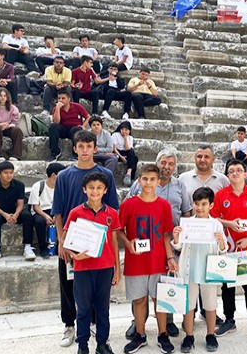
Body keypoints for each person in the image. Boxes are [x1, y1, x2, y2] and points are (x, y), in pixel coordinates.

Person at [52, 130, 119, 348]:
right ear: (74, 148)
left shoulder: (105, 176)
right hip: (72, 240)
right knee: (68, 284)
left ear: (95, 148)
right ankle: (69, 325)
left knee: (98, 294)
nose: (84, 150)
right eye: (80, 146)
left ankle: (94, 329)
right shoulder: (63, 176)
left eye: (88, 146)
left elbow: (112, 211)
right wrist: (62, 241)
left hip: (99, 244)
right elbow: (58, 211)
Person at [127, 149, 192, 339]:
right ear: (157, 163)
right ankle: (137, 323)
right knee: (141, 286)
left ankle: (168, 321)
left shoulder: (180, 186)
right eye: (164, 162)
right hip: (144, 244)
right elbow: (128, 209)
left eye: (171, 164)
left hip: (170, 243)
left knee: (166, 283)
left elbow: (186, 213)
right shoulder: (140, 184)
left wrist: (183, 240)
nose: (167, 167)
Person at [119, 164, 177, 354]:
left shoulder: (164, 205)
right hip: (136, 261)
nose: (148, 183)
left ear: (158, 181)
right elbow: (120, 230)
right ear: (139, 180)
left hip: (158, 259)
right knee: (139, 299)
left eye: (153, 179)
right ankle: (140, 335)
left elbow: (167, 234)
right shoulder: (128, 204)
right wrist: (129, 244)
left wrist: (170, 257)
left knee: (159, 299)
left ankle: (162, 334)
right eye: (145, 179)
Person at [65, 172, 121, 354]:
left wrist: (117, 268)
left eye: (99, 188)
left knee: (103, 308)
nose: (95, 191)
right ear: (84, 189)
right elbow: (67, 240)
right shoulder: (76, 212)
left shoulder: (111, 214)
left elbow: (114, 242)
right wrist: (75, 256)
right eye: (91, 188)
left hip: (105, 268)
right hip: (83, 268)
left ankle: (102, 343)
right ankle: (82, 345)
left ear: (105, 190)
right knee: (83, 308)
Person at [211, 159, 247, 342]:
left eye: (239, 170)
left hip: (246, 251)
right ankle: (230, 319)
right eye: (231, 170)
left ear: (246, 174)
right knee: (227, 287)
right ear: (227, 175)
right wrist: (229, 224)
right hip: (227, 251)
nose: (235, 173)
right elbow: (213, 218)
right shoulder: (220, 195)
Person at [173, 187, 226, 353]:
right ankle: (189, 335)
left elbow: (223, 250)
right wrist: (176, 237)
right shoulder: (187, 223)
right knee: (188, 305)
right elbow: (179, 246)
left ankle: (210, 334)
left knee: (210, 304)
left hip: (209, 271)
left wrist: (221, 242)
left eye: (204, 204)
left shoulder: (216, 224)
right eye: (196, 204)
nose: (199, 207)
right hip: (190, 271)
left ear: (211, 205)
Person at [0, 161, 34, 262]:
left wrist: (15, 215)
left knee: (27, 216)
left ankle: (28, 246)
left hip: (14, 211)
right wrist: (6, 215)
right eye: (6, 173)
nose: (9, 175)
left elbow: (21, 203)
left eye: (11, 172)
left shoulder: (19, 185)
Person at [28, 162, 66, 259]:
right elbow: (35, 206)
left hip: (55, 210)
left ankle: (59, 245)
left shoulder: (62, 187)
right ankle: (43, 248)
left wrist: (55, 216)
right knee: (39, 221)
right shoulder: (38, 186)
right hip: (41, 211)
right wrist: (46, 216)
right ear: (54, 175)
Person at [47, 90, 90, 162]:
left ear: (69, 99)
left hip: (74, 128)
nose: (61, 100)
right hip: (62, 128)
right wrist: (57, 108)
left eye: (63, 98)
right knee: (53, 127)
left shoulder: (77, 106)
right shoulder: (56, 108)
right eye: (59, 98)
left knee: (76, 130)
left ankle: (76, 154)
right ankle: (55, 152)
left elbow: (88, 117)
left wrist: (83, 126)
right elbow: (56, 122)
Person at [111, 121, 138, 187]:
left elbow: (128, 149)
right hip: (117, 152)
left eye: (126, 130)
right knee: (132, 156)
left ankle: (129, 175)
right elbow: (114, 148)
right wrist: (121, 157)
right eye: (122, 129)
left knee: (134, 157)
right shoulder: (115, 135)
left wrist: (125, 138)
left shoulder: (130, 138)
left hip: (125, 152)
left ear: (129, 130)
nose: (123, 131)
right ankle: (130, 177)